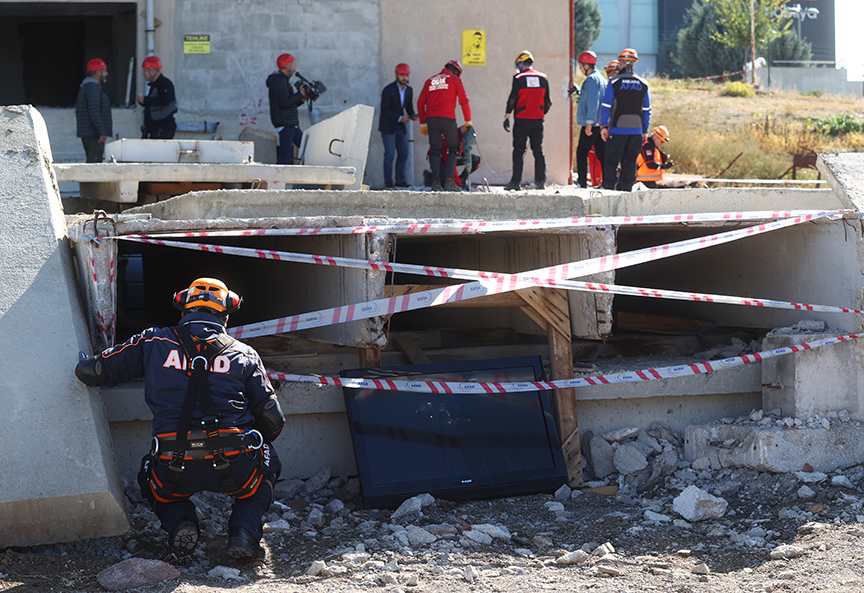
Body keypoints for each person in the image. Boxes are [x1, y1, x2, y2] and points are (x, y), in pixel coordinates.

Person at [75, 278, 283, 560]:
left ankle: (180, 523)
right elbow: (273, 419)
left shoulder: (153, 341)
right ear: (225, 315)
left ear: (183, 310)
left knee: (148, 473)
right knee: (269, 459)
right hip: (237, 464)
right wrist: (252, 442)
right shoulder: (244, 353)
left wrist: (85, 361)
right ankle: (244, 533)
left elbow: (93, 371)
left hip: (172, 466)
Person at [600, 48, 651, 191]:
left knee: (611, 162)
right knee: (630, 164)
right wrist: (645, 130)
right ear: (634, 63)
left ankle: (609, 192)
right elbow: (646, 110)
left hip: (617, 130)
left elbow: (606, 105)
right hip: (636, 131)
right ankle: (626, 194)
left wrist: (604, 126)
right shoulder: (643, 83)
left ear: (621, 63)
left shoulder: (614, 82)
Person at [417, 60, 472, 191]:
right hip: (447, 119)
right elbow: (464, 101)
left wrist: (422, 123)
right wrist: (468, 121)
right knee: (453, 149)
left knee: (435, 150)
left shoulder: (430, 80)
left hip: (431, 120)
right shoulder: (454, 80)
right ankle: (449, 181)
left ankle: (435, 183)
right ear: (456, 71)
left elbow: (420, 103)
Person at [503, 50, 551, 191]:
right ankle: (541, 182)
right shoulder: (543, 78)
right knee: (538, 151)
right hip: (537, 120)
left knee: (519, 151)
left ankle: (515, 183)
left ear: (521, 63)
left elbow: (512, 99)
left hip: (521, 120)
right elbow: (548, 101)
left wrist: (507, 115)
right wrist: (542, 113)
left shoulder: (518, 78)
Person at [379, 63, 417, 188]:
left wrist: (413, 115)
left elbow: (408, 107)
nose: (404, 78)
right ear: (396, 75)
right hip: (388, 127)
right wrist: (400, 118)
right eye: (402, 75)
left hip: (400, 127)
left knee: (404, 153)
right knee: (389, 154)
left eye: (406, 75)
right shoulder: (388, 90)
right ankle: (388, 182)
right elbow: (384, 110)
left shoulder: (409, 90)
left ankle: (400, 180)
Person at [267, 53, 307, 164]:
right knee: (286, 155)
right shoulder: (279, 81)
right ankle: (275, 180)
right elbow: (284, 103)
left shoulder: (282, 81)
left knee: (306, 147)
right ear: (287, 65)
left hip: (290, 123)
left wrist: (302, 99)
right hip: (285, 123)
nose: (295, 67)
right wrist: (300, 93)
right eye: (293, 63)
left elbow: (289, 103)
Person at [574, 50, 606, 189]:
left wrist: (588, 123)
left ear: (587, 66)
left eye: (581, 65)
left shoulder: (591, 80)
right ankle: (609, 181)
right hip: (600, 124)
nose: (580, 68)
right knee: (602, 154)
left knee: (581, 152)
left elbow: (593, 103)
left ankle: (582, 183)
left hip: (592, 124)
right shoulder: (601, 79)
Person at [75, 58, 112, 163]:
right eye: (104, 71)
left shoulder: (89, 87)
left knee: (93, 163)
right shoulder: (93, 88)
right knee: (94, 166)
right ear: (98, 72)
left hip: (91, 132)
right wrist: (102, 131)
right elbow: (94, 111)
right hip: (93, 134)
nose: (107, 74)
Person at [137, 56, 177, 139]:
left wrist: (145, 99)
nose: (143, 73)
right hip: (154, 128)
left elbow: (164, 101)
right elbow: (154, 104)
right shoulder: (154, 84)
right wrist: (143, 102)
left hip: (163, 128)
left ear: (152, 71)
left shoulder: (164, 83)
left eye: (145, 71)